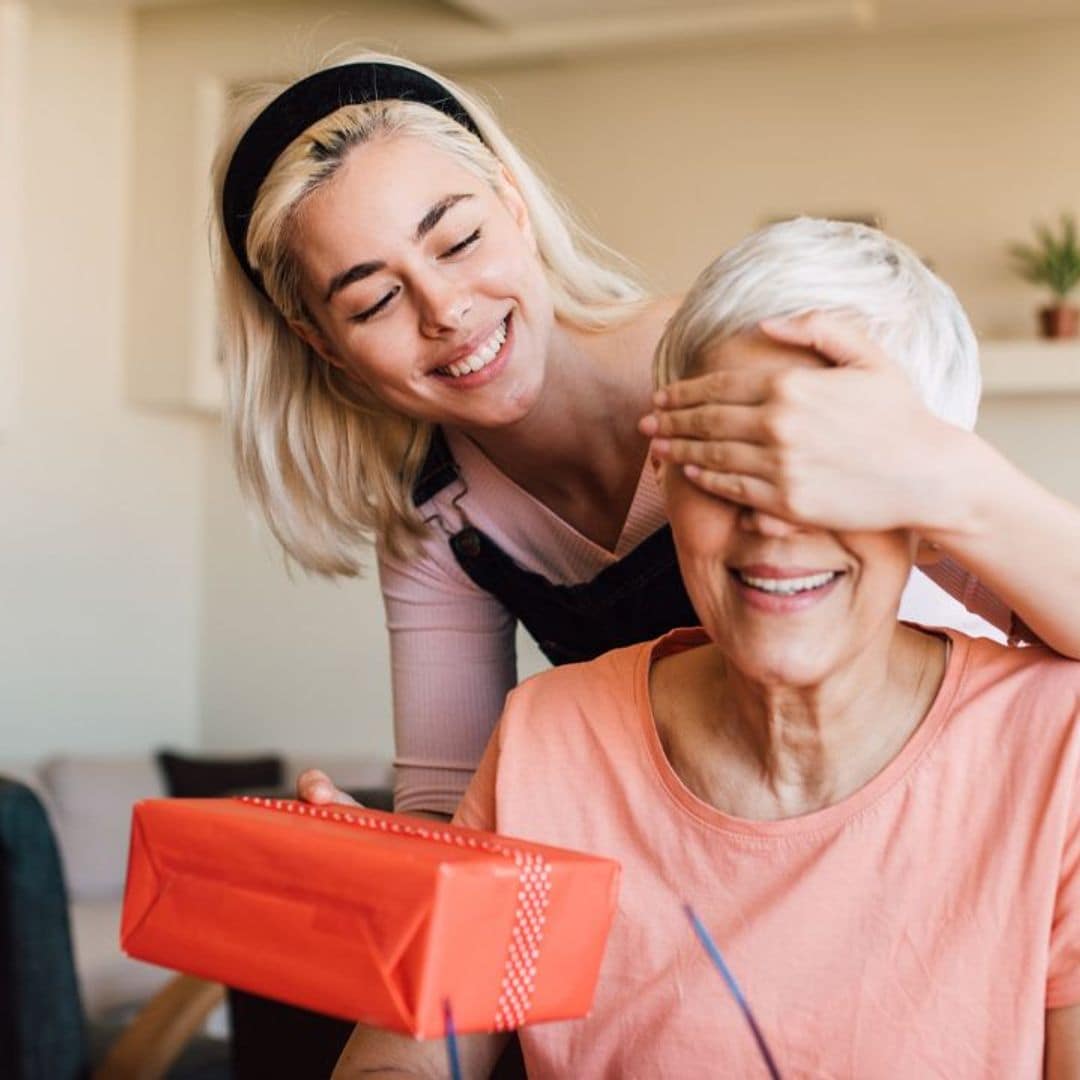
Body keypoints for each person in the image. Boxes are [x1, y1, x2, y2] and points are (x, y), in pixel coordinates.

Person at [214, 52, 1080, 821]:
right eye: (374, 301)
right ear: (324, 342)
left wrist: (934, 470)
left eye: (460, 240)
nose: (447, 311)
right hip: (717, 844)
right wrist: (394, 856)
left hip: (936, 807)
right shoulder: (443, 516)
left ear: (514, 208)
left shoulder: (745, 363)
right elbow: (459, 805)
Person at [331, 219, 1080, 1079]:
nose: (774, 519)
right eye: (730, 461)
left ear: (936, 509)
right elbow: (409, 1060)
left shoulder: (1055, 748)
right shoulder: (551, 738)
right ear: (665, 471)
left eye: (834, 472)